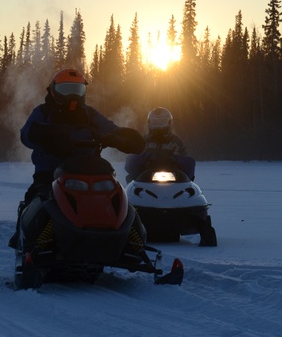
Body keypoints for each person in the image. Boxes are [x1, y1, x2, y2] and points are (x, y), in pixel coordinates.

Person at [11, 68, 143, 247]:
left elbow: (109, 128)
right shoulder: (43, 112)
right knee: (37, 198)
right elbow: (26, 134)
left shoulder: (89, 114)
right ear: (54, 90)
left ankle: (133, 243)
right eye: (66, 90)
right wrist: (45, 134)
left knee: (117, 196)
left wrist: (121, 137)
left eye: (77, 90)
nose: (72, 96)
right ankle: (24, 245)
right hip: (51, 172)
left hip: (89, 170)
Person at [125, 107, 194, 182]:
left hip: (173, 179)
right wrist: (145, 157)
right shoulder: (143, 141)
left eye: (162, 122)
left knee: (189, 186)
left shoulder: (176, 142)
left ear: (169, 123)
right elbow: (131, 162)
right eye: (155, 123)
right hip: (145, 179)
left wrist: (175, 159)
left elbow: (186, 162)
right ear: (149, 123)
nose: (158, 126)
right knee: (130, 181)